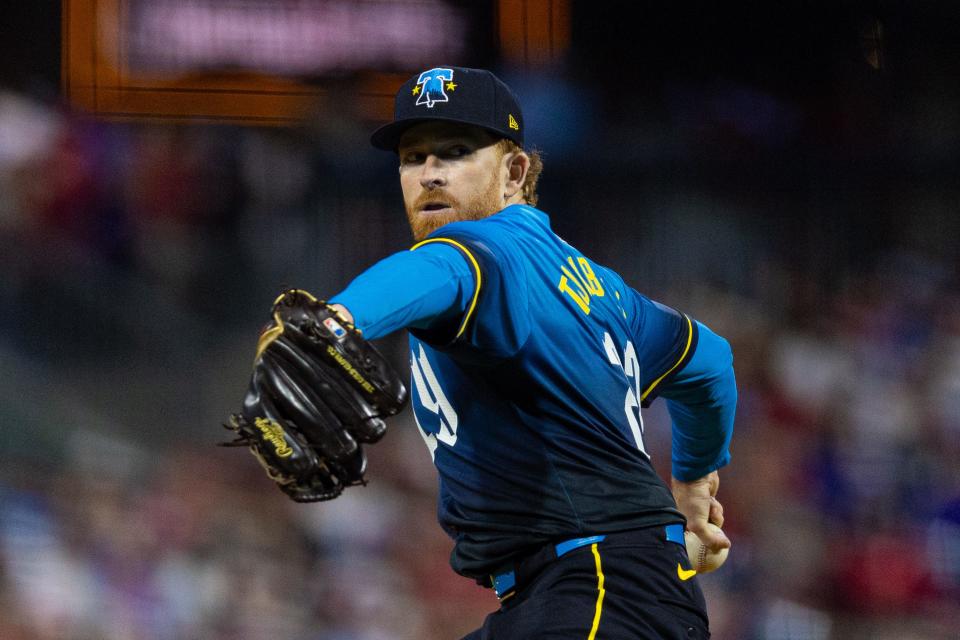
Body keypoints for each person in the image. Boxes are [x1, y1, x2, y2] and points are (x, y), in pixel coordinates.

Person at [328, 66, 736, 639]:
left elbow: (436, 269)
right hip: (590, 592)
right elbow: (710, 361)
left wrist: (335, 322)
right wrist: (694, 486)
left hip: (597, 587)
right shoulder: (603, 290)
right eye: (413, 157)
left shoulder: (484, 252)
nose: (431, 174)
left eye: (456, 152)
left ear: (515, 171)